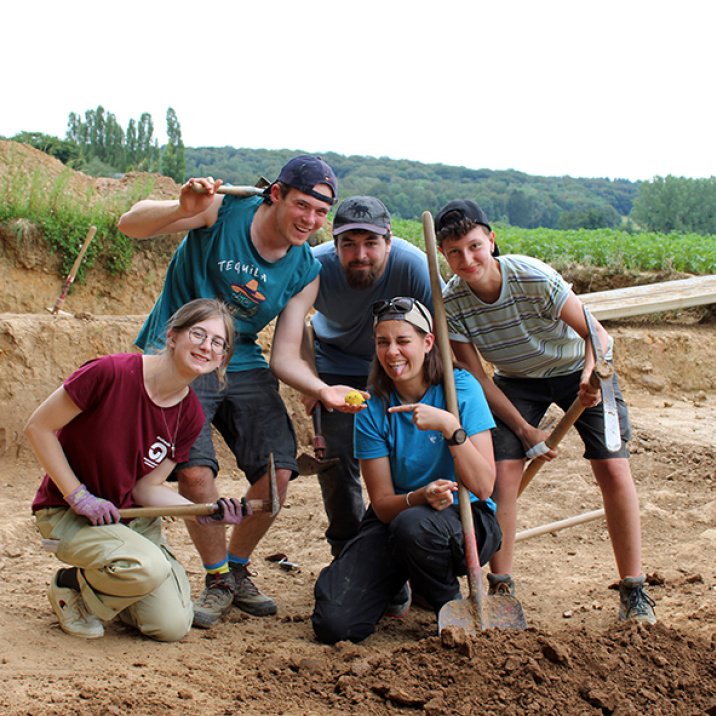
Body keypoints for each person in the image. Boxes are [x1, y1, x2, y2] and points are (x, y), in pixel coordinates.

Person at [117, 156, 364, 629]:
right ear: (276, 194)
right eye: (303, 206)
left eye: (320, 214)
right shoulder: (221, 213)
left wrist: (321, 388)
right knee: (193, 473)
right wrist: (181, 205)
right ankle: (216, 578)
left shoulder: (304, 270)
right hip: (182, 351)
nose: (310, 221)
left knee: (279, 474)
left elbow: (285, 356)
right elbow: (131, 225)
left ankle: (237, 566)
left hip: (243, 358)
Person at [434, 200, 656, 624]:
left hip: (578, 368)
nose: (467, 259)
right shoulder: (453, 303)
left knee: (612, 469)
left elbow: (597, 335)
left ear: (491, 240)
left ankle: (634, 589)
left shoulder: (531, 276)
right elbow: (480, 380)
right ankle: (500, 585)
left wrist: (591, 378)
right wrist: (523, 429)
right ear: (444, 256)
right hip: (516, 382)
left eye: (475, 246)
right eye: (455, 253)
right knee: (503, 472)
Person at [26, 298, 245, 641]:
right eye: (198, 334)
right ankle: (72, 588)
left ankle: (117, 584)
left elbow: (146, 489)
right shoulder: (110, 373)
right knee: (148, 567)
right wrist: (78, 496)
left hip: (128, 520)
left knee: (171, 625)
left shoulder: (191, 415)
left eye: (218, 343)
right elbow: (37, 428)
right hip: (67, 512)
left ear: (223, 358)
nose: (207, 346)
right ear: (172, 336)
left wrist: (204, 511)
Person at [311, 298, 501, 644]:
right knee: (334, 625)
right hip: (396, 517)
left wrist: (450, 428)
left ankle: (448, 601)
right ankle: (399, 579)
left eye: (403, 341)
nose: (392, 352)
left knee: (414, 526)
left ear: (428, 343)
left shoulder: (460, 390)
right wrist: (420, 496)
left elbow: (485, 487)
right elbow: (382, 504)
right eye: (383, 342)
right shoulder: (371, 407)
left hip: (466, 519)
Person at [307, 196, 435, 560]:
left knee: (409, 452)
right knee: (337, 458)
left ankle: (415, 549)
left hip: (399, 366)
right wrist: (311, 384)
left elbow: (438, 337)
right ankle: (347, 552)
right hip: (334, 364)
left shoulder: (415, 267)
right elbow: (292, 327)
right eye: (348, 244)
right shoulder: (312, 267)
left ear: (389, 241)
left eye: (371, 243)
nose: (360, 254)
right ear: (334, 245)